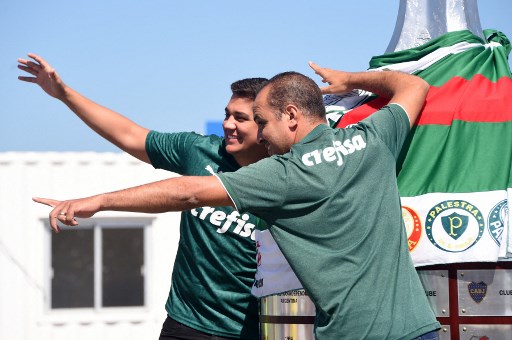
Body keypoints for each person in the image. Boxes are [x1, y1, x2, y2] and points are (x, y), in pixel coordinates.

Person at [32, 62, 441, 339]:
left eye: (255, 121)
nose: (251, 131)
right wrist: (352, 80)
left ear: (292, 116)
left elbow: (187, 192)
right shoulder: (369, 139)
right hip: (419, 327)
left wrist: (99, 201)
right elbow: (414, 85)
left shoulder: (282, 174)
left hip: (301, 330)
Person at [18, 53, 269, 340]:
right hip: (184, 324)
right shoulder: (200, 151)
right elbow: (129, 135)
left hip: (249, 331)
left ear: (264, 124)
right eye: (226, 114)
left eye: (240, 118)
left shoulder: (288, 176)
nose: (228, 124)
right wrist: (64, 94)